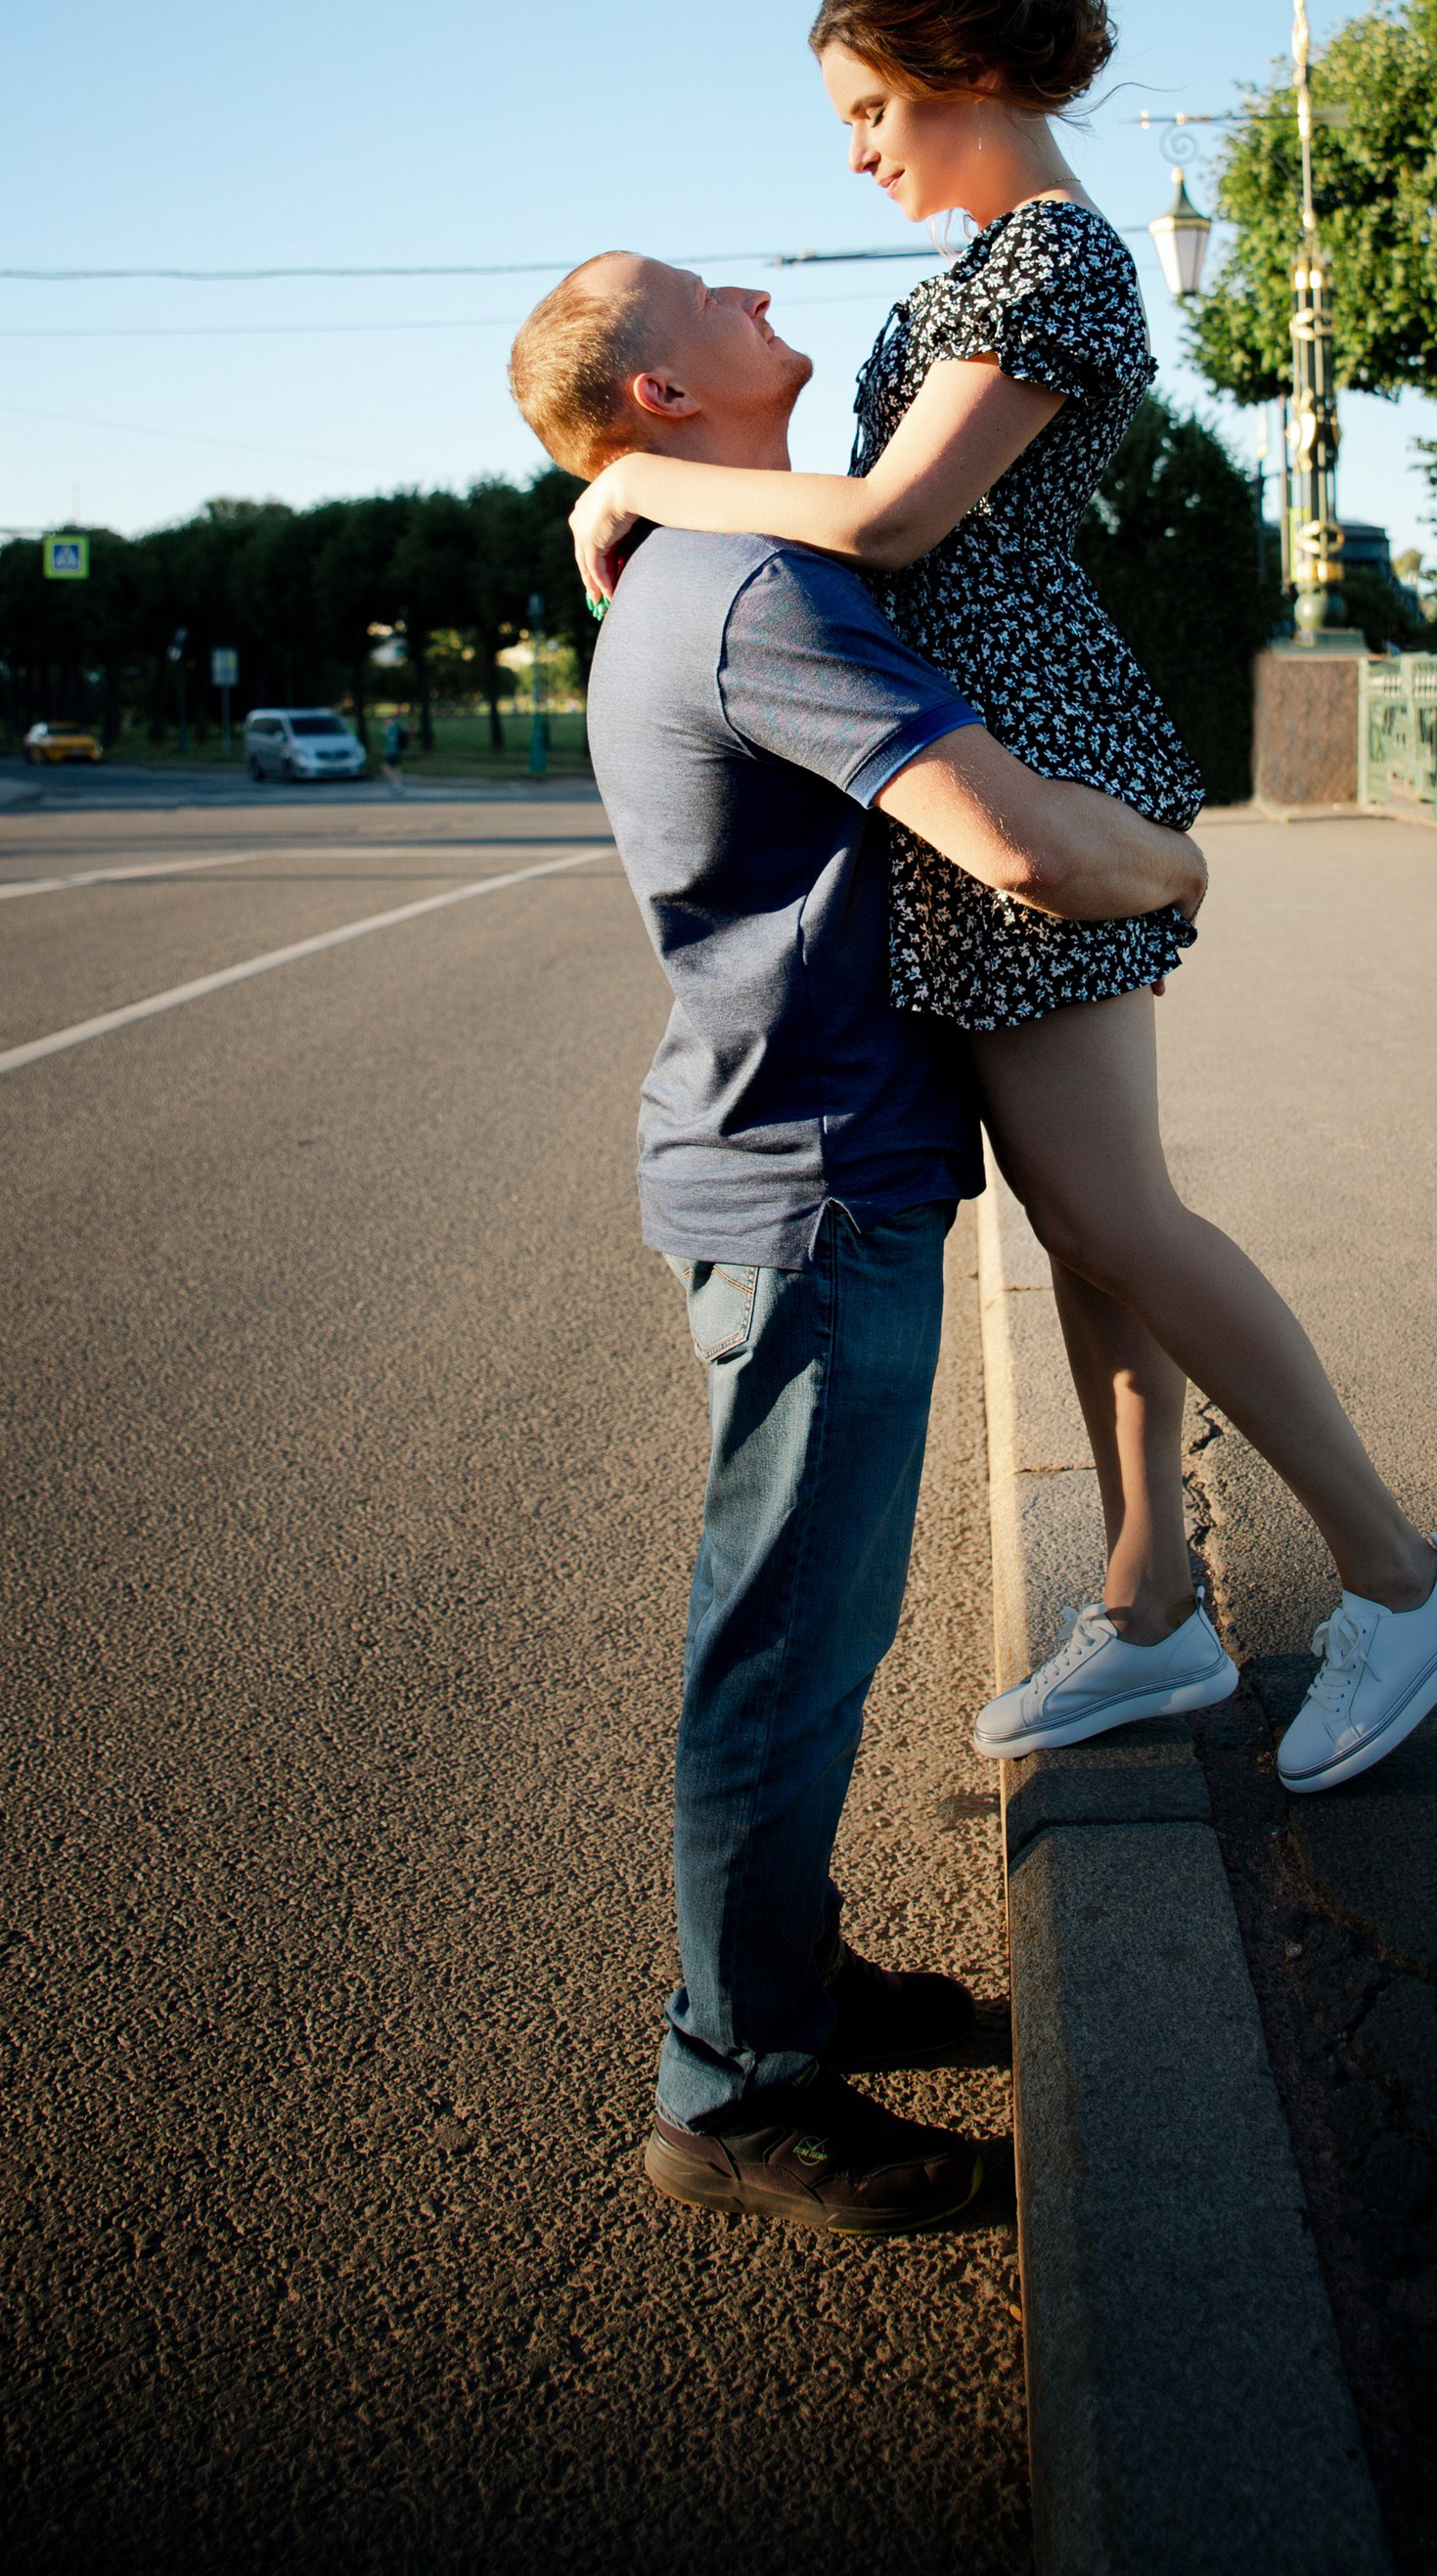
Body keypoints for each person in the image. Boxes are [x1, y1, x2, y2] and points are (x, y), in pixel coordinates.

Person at [565, 0, 1437, 1798]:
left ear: (957, 71)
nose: (855, 154)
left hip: (1038, 755)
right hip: (999, 735)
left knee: (1120, 1215)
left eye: (867, 110)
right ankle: (1153, 1607)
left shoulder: (1058, 257)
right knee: (1087, 1226)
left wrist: (641, 475)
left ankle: (1403, 1583)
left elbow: (894, 521)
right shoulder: (995, 263)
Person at [508, 252, 1207, 2235]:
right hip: (810, 1189)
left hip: (783, 1171)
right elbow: (1027, 847)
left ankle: (785, 1985)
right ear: (656, 398)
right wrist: (1181, 856)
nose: (750, 282)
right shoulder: (759, 593)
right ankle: (733, 2091)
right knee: (786, 1650)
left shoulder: (696, 569)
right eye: (697, 295)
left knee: (801, 1628)